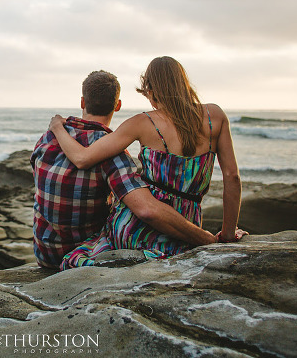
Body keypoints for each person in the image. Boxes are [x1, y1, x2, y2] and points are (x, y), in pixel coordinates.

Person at [49, 57, 247, 268]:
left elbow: (82, 158)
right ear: (183, 83)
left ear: (150, 91)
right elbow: (232, 177)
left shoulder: (142, 123)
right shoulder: (215, 116)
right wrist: (226, 235)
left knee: (82, 255)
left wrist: (58, 128)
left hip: (134, 229)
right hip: (186, 231)